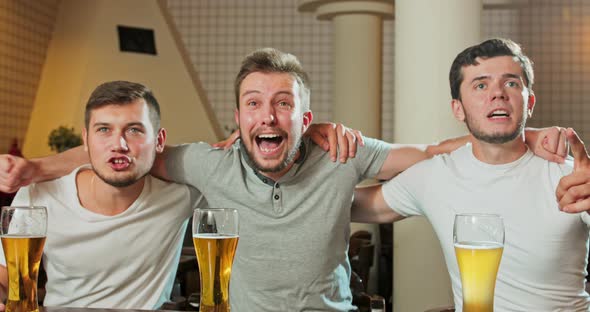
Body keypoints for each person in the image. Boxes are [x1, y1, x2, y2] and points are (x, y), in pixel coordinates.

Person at [0, 48, 565, 311]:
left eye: (282, 104)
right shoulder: (205, 164)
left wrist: (527, 137)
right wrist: (34, 169)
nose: (267, 116)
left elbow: (430, 151)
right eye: (253, 104)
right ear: (238, 118)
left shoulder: (345, 153)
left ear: (305, 117)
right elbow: (122, 150)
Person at [352, 38, 590, 311]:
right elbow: (346, 204)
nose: (498, 93)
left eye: (511, 83)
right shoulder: (435, 175)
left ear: (530, 102)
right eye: (480, 85)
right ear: (458, 109)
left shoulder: (571, 176)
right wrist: (305, 150)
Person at [0, 81, 206, 309]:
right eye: (104, 130)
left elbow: (234, 164)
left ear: (159, 141)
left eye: (134, 130)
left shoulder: (182, 194)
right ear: (86, 139)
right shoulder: (37, 196)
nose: (118, 145)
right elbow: (7, 277)